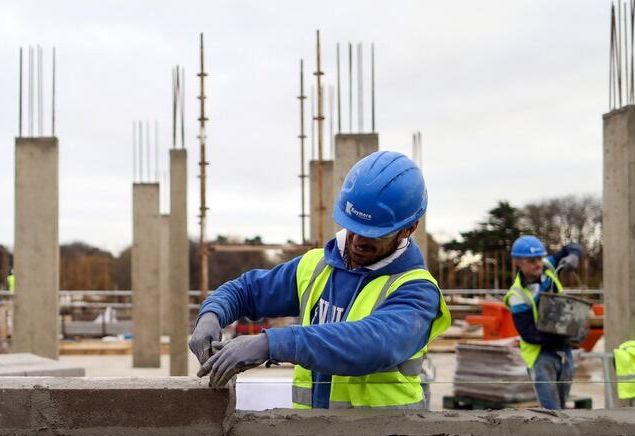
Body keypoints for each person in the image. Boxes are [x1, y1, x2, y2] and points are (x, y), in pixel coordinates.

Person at [188, 150, 450, 408]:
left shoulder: (416, 290)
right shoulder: (316, 266)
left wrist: (271, 344)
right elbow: (246, 291)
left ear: (409, 228)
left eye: (374, 234)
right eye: (353, 227)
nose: (358, 241)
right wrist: (211, 314)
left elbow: (371, 345)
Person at [504, 235, 582, 409]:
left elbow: (572, 246)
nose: (538, 264)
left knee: (562, 405)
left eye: (539, 258)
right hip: (541, 355)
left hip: (564, 350)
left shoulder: (548, 267)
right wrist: (565, 336)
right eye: (531, 261)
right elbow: (529, 334)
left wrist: (573, 256)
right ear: (518, 262)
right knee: (551, 410)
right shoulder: (517, 296)